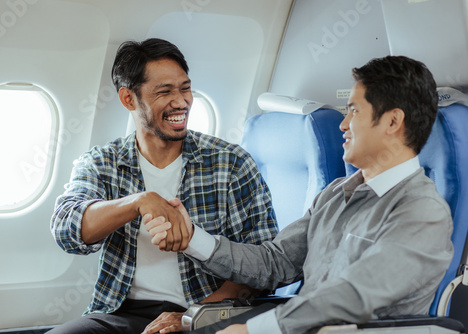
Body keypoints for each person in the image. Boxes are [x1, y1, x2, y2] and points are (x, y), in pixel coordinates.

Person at [145, 55, 454, 334]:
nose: (343, 125)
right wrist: (190, 238)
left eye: (355, 111)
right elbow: (273, 263)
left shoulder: (422, 211)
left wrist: (254, 330)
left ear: (392, 121)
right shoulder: (335, 194)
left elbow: (355, 295)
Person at [49, 38, 278, 334]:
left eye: (185, 88)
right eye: (165, 92)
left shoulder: (231, 163)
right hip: (120, 312)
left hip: (208, 311)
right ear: (128, 99)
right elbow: (67, 231)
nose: (181, 102)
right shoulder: (101, 162)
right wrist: (138, 202)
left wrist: (193, 316)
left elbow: (262, 264)